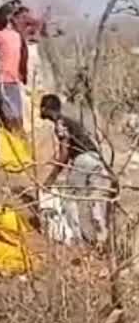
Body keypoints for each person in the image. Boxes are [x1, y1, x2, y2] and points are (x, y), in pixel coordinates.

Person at [39, 95, 111, 246]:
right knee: (96, 199)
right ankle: (101, 240)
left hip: (82, 159)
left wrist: (51, 178)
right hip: (96, 158)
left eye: (42, 108)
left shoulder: (60, 123)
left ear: (46, 109)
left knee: (69, 198)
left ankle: (75, 238)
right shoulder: (72, 122)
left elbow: (64, 154)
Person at [0, 9, 24, 130]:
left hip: (3, 79)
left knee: (6, 115)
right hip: (14, 78)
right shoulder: (16, 35)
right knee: (17, 112)